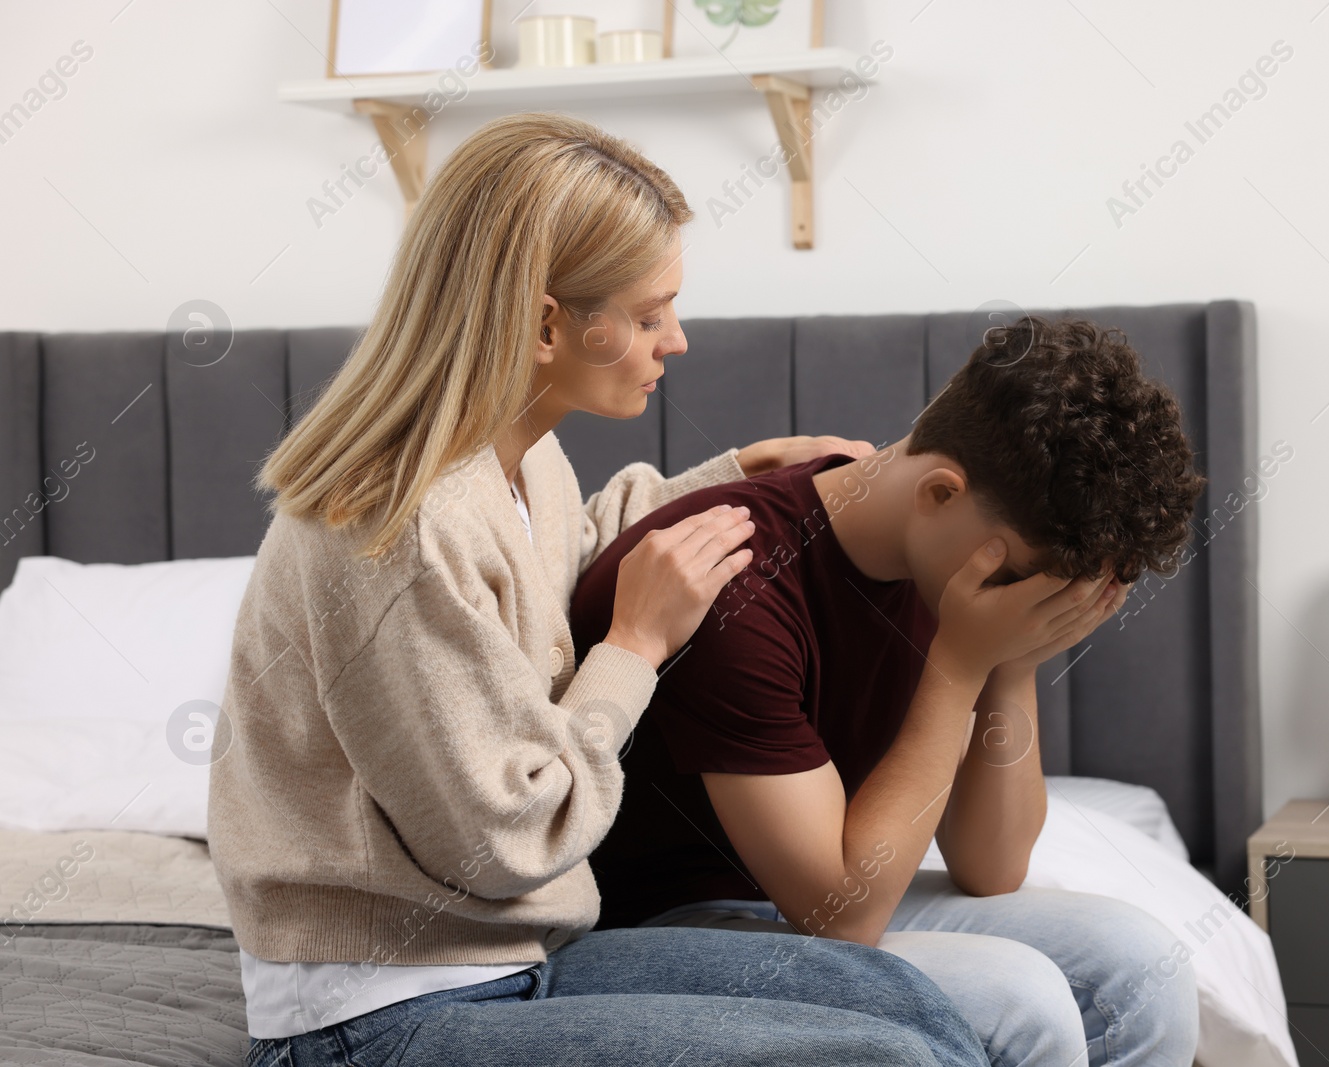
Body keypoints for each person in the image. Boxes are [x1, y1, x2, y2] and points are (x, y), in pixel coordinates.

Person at [208, 112, 990, 1067]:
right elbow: (507, 838)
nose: (678, 339)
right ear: (548, 324)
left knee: (897, 998)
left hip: (520, 953)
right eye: (652, 311)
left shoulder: (517, 459)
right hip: (377, 1010)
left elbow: (560, 550)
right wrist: (633, 651)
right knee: (884, 1059)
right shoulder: (393, 525)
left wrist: (731, 475)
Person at [571, 315, 1210, 1067]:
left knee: (1140, 965)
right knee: (1022, 997)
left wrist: (1013, 654)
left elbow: (991, 866)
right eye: (1016, 580)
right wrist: (958, 664)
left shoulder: (946, 562)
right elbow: (841, 916)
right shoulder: (737, 587)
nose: (1015, 602)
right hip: (666, 922)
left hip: (808, 897)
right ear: (940, 492)